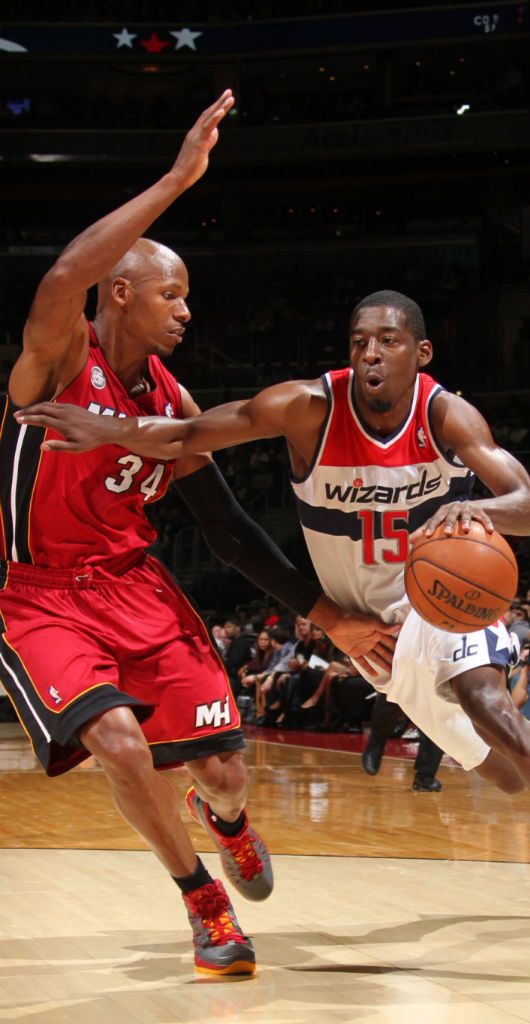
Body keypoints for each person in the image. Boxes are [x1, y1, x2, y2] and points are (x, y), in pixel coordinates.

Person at [20, 289, 530, 984]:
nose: (370, 352)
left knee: (490, 703)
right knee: (509, 773)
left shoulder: (444, 413)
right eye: (360, 340)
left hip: (444, 596)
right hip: (376, 640)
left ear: (420, 354)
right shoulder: (306, 407)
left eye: (388, 341)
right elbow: (188, 436)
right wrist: (111, 430)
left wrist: (467, 512)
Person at [0, 91, 397, 979]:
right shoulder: (58, 360)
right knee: (117, 741)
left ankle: (227, 824)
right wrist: (181, 177)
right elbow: (63, 275)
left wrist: (326, 613)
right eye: (171, 294)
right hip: (42, 597)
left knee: (223, 772)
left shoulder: (173, 406)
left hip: (139, 589)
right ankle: (200, 900)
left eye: (190, 297)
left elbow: (226, 529)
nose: (185, 311)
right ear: (123, 293)